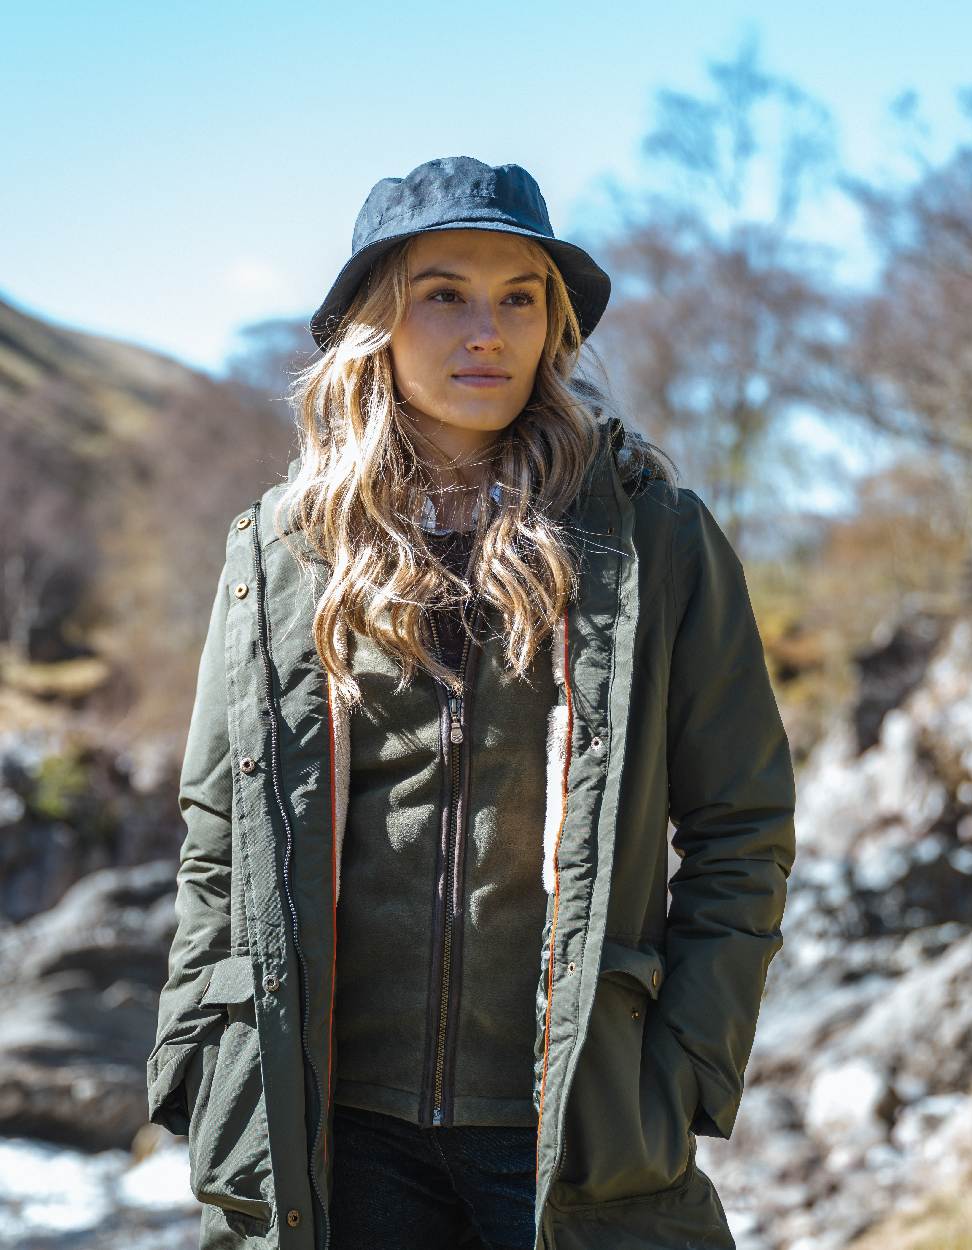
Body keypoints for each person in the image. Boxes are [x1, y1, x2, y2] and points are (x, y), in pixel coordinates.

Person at [146, 155, 797, 1250]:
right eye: (442, 292)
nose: (484, 328)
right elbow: (216, 833)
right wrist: (203, 1053)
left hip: (573, 1119)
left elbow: (743, 823)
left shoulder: (654, 540)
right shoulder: (280, 553)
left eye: (519, 296)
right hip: (333, 1128)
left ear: (554, 329)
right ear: (374, 323)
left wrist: (684, 1061)